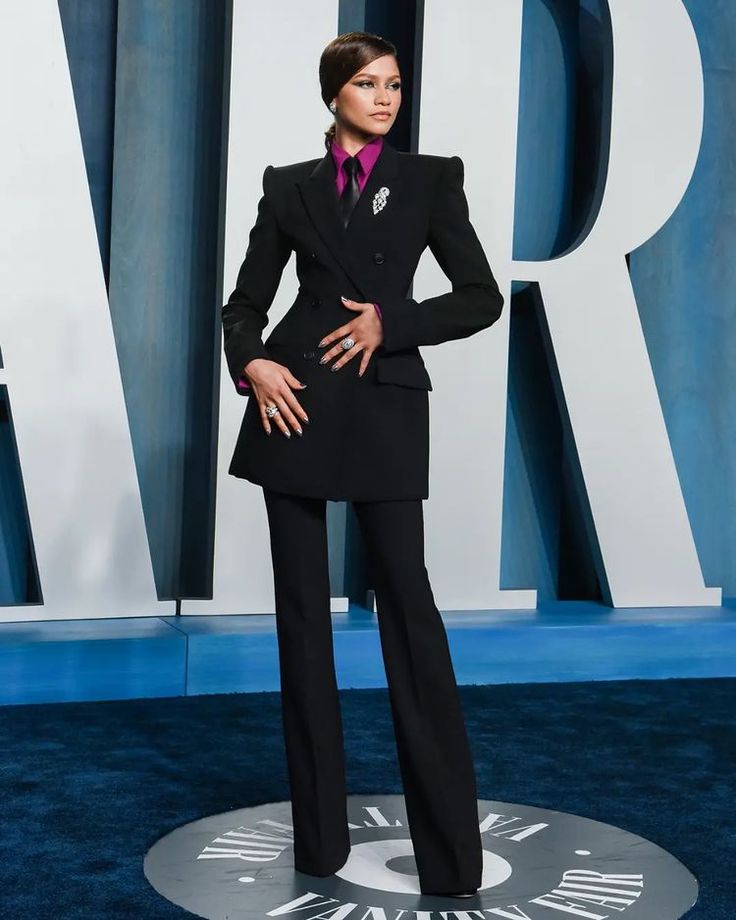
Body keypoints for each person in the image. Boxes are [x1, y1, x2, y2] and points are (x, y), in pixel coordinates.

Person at [221, 31, 503, 898]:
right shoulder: (287, 188)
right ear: (333, 93)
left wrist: (393, 322)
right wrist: (251, 362)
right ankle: (319, 847)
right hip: (292, 405)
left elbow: (480, 296)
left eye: (395, 85)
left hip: (381, 405)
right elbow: (245, 304)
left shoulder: (428, 179)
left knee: (408, 617)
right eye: (368, 84)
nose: (386, 98)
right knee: (301, 626)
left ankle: (452, 860)